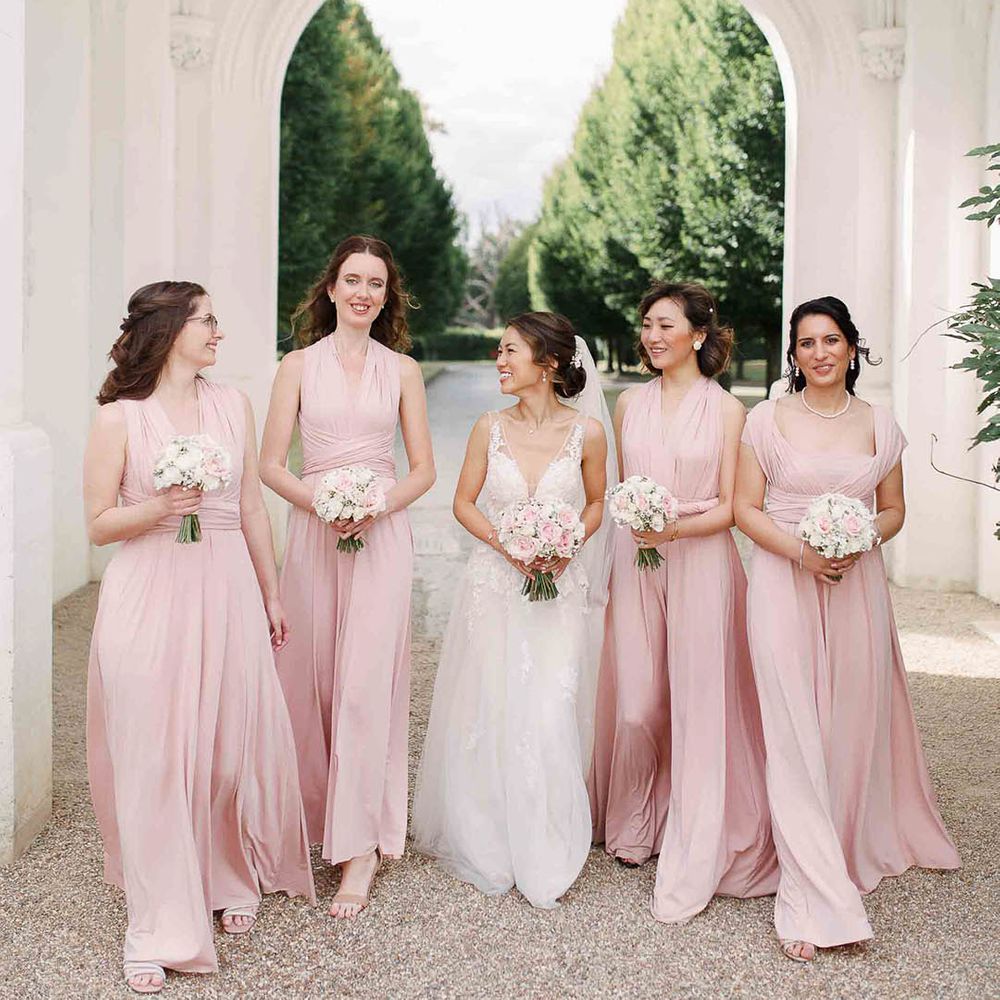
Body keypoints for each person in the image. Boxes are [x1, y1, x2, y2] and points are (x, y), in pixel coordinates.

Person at [84, 281, 314, 994]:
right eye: (208, 319)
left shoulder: (232, 406)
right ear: (169, 328)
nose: (219, 332)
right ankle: (156, 924)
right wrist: (159, 505)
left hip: (225, 592)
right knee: (154, 759)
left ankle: (223, 873)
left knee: (222, 756)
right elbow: (95, 525)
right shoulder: (118, 420)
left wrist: (271, 592)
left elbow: (248, 506)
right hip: (148, 595)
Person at [733, 295, 961, 962]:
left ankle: (838, 842)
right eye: (807, 343)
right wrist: (801, 551)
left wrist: (860, 537)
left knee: (845, 728)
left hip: (857, 586)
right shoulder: (765, 420)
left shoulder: (878, 423)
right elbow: (746, 509)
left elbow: (894, 510)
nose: (820, 352)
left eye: (831, 339)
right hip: (782, 582)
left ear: (853, 347)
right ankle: (809, 895)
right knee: (794, 726)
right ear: (794, 356)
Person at [411, 313, 614, 908]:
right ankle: (490, 833)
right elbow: (463, 502)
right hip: (495, 586)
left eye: (509, 352)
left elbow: (598, 502)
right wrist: (511, 544)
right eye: (499, 352)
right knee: (492, 702)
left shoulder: (588, 434)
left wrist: (566, 542)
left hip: (560, 588)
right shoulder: (487, 427)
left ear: (547, 364)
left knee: (550, 707)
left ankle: (546, 837)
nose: (499, 361)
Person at [589, 281, 777, 923]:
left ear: (700, 334)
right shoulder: (628, 405)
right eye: (647, 324)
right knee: (638, 704)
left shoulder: (728, 412)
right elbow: (619, 493)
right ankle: (633, 815)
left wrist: (673, 526)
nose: (653, 335)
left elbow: (731, 507)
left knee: (698, 702)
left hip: (700, 564)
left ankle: (690, 831)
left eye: (667, 325)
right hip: (636, 563)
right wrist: (638, 525)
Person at [260, 235, 434, 918]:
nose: (364, 293)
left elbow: (422, 468)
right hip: (313, 532)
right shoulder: (296, 366)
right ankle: (312, 816)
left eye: (377, 284)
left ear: (387, 297)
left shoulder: (405, 372)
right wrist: (325, 506)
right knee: (312, 678)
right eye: (352, 280)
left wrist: (372, 508)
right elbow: (272, 463)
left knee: (365, 683)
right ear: (330, 288)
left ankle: (360, 846)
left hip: (383, 534)